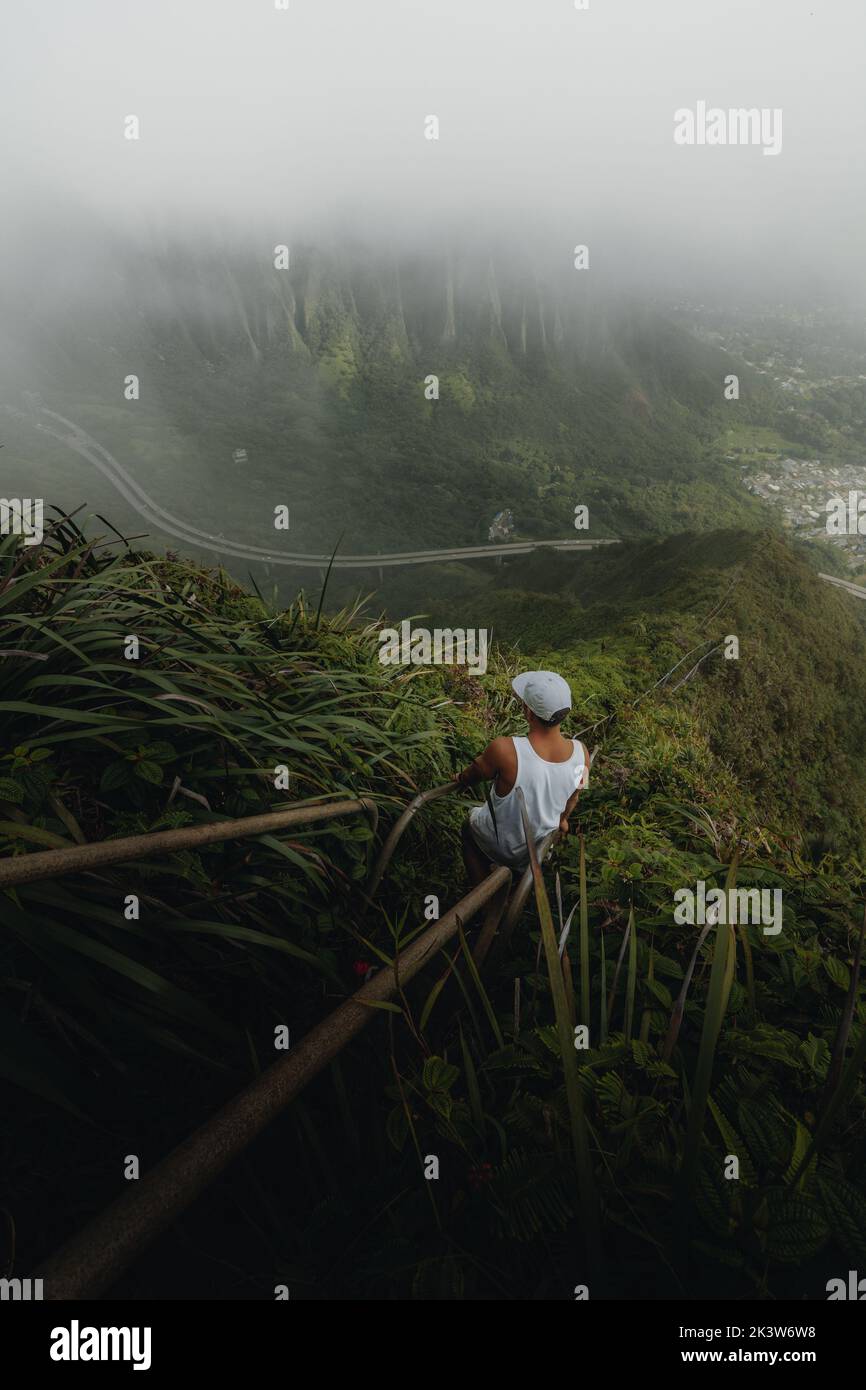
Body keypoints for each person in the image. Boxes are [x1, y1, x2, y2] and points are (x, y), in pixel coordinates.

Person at [453, 671, 589, 886]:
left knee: (469, 828)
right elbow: (574, 797)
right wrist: (562, 820)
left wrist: (460, 778)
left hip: (496, 845)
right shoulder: (583, 754)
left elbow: (475, 773)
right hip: (535, 851)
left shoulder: (505, 749)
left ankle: (482, 897)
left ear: (529, 713)